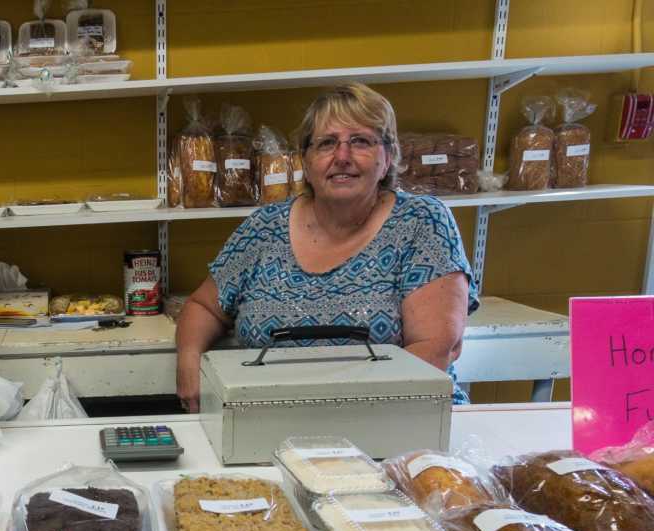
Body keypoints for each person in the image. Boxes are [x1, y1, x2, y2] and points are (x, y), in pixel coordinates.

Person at [175, 82, 478, 412]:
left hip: (398, 419)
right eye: (326, 143)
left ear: (388, 157)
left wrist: (327, 415)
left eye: (360, 141)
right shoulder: (264, 228)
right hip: (272, 417)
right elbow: (204, 307)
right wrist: (189, 366)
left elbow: (435, 350)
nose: (342, 157)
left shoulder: (422, 222)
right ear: (306, 160)